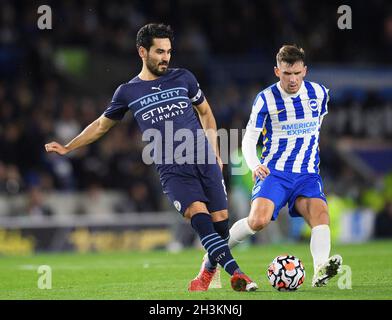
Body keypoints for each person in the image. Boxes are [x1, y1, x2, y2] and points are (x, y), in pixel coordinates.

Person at [44, 23, 257, 292]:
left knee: (221, 227)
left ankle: (206, 272)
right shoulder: (127, 92)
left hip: (204, 157)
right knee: (200, 219)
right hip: (172, 167)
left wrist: (214, 148)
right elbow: (100, 125)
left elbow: (205, 112)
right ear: (142, 51)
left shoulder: (184, 78)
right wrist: (68, 146)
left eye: (168, 51)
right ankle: (238, 274)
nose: (166, 57)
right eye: (159, 51)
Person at [212, 45, 343, 288]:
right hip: (275, 173)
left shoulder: (320, 94)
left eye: (296, 73)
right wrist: (254, 164)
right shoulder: (265, 99)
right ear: (276, 71)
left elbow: (316, 128)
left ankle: (320, 272)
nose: (292, 80)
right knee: (258, 221)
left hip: (306, 174)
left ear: (304, 70)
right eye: (286, 74)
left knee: (320, 215)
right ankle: (213, 253)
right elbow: (249, 138)